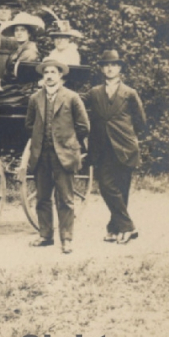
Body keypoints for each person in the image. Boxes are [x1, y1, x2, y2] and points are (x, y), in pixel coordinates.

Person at [25, 58, 90, 254]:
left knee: (66, 199)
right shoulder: (35, 98)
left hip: (64, 155)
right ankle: (45, 236)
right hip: (41, 155)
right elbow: (29, 125)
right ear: (43, 76)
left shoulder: (72, 97)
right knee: (42, 198)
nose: (49, 76)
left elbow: (84, 126)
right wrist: (39, 141)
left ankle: (66, 239)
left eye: (53, 72)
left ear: (60, 76)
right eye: (46, 73)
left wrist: (68, 143)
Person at [83, 50, 146, 244]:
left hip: (125, 146)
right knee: (106, 186)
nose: (110, 68)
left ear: (119, 68)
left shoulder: (130, 93)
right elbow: (75, 102)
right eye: (106, 65)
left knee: (121, 188)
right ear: (102, 69)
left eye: (114, 65)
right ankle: (129, 227)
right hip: (102, 147)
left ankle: (114, 229)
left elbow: (140, 122)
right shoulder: (93, 93)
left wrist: (127, 135)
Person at [0, 12, 44, 85]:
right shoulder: (17, 49)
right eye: (16, 30)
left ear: (29, 33)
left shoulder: (30, 51)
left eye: (22, 30)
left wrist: (3, 83)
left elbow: (19, 74)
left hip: (23, 89)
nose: (19, 33)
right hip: (13, 86)